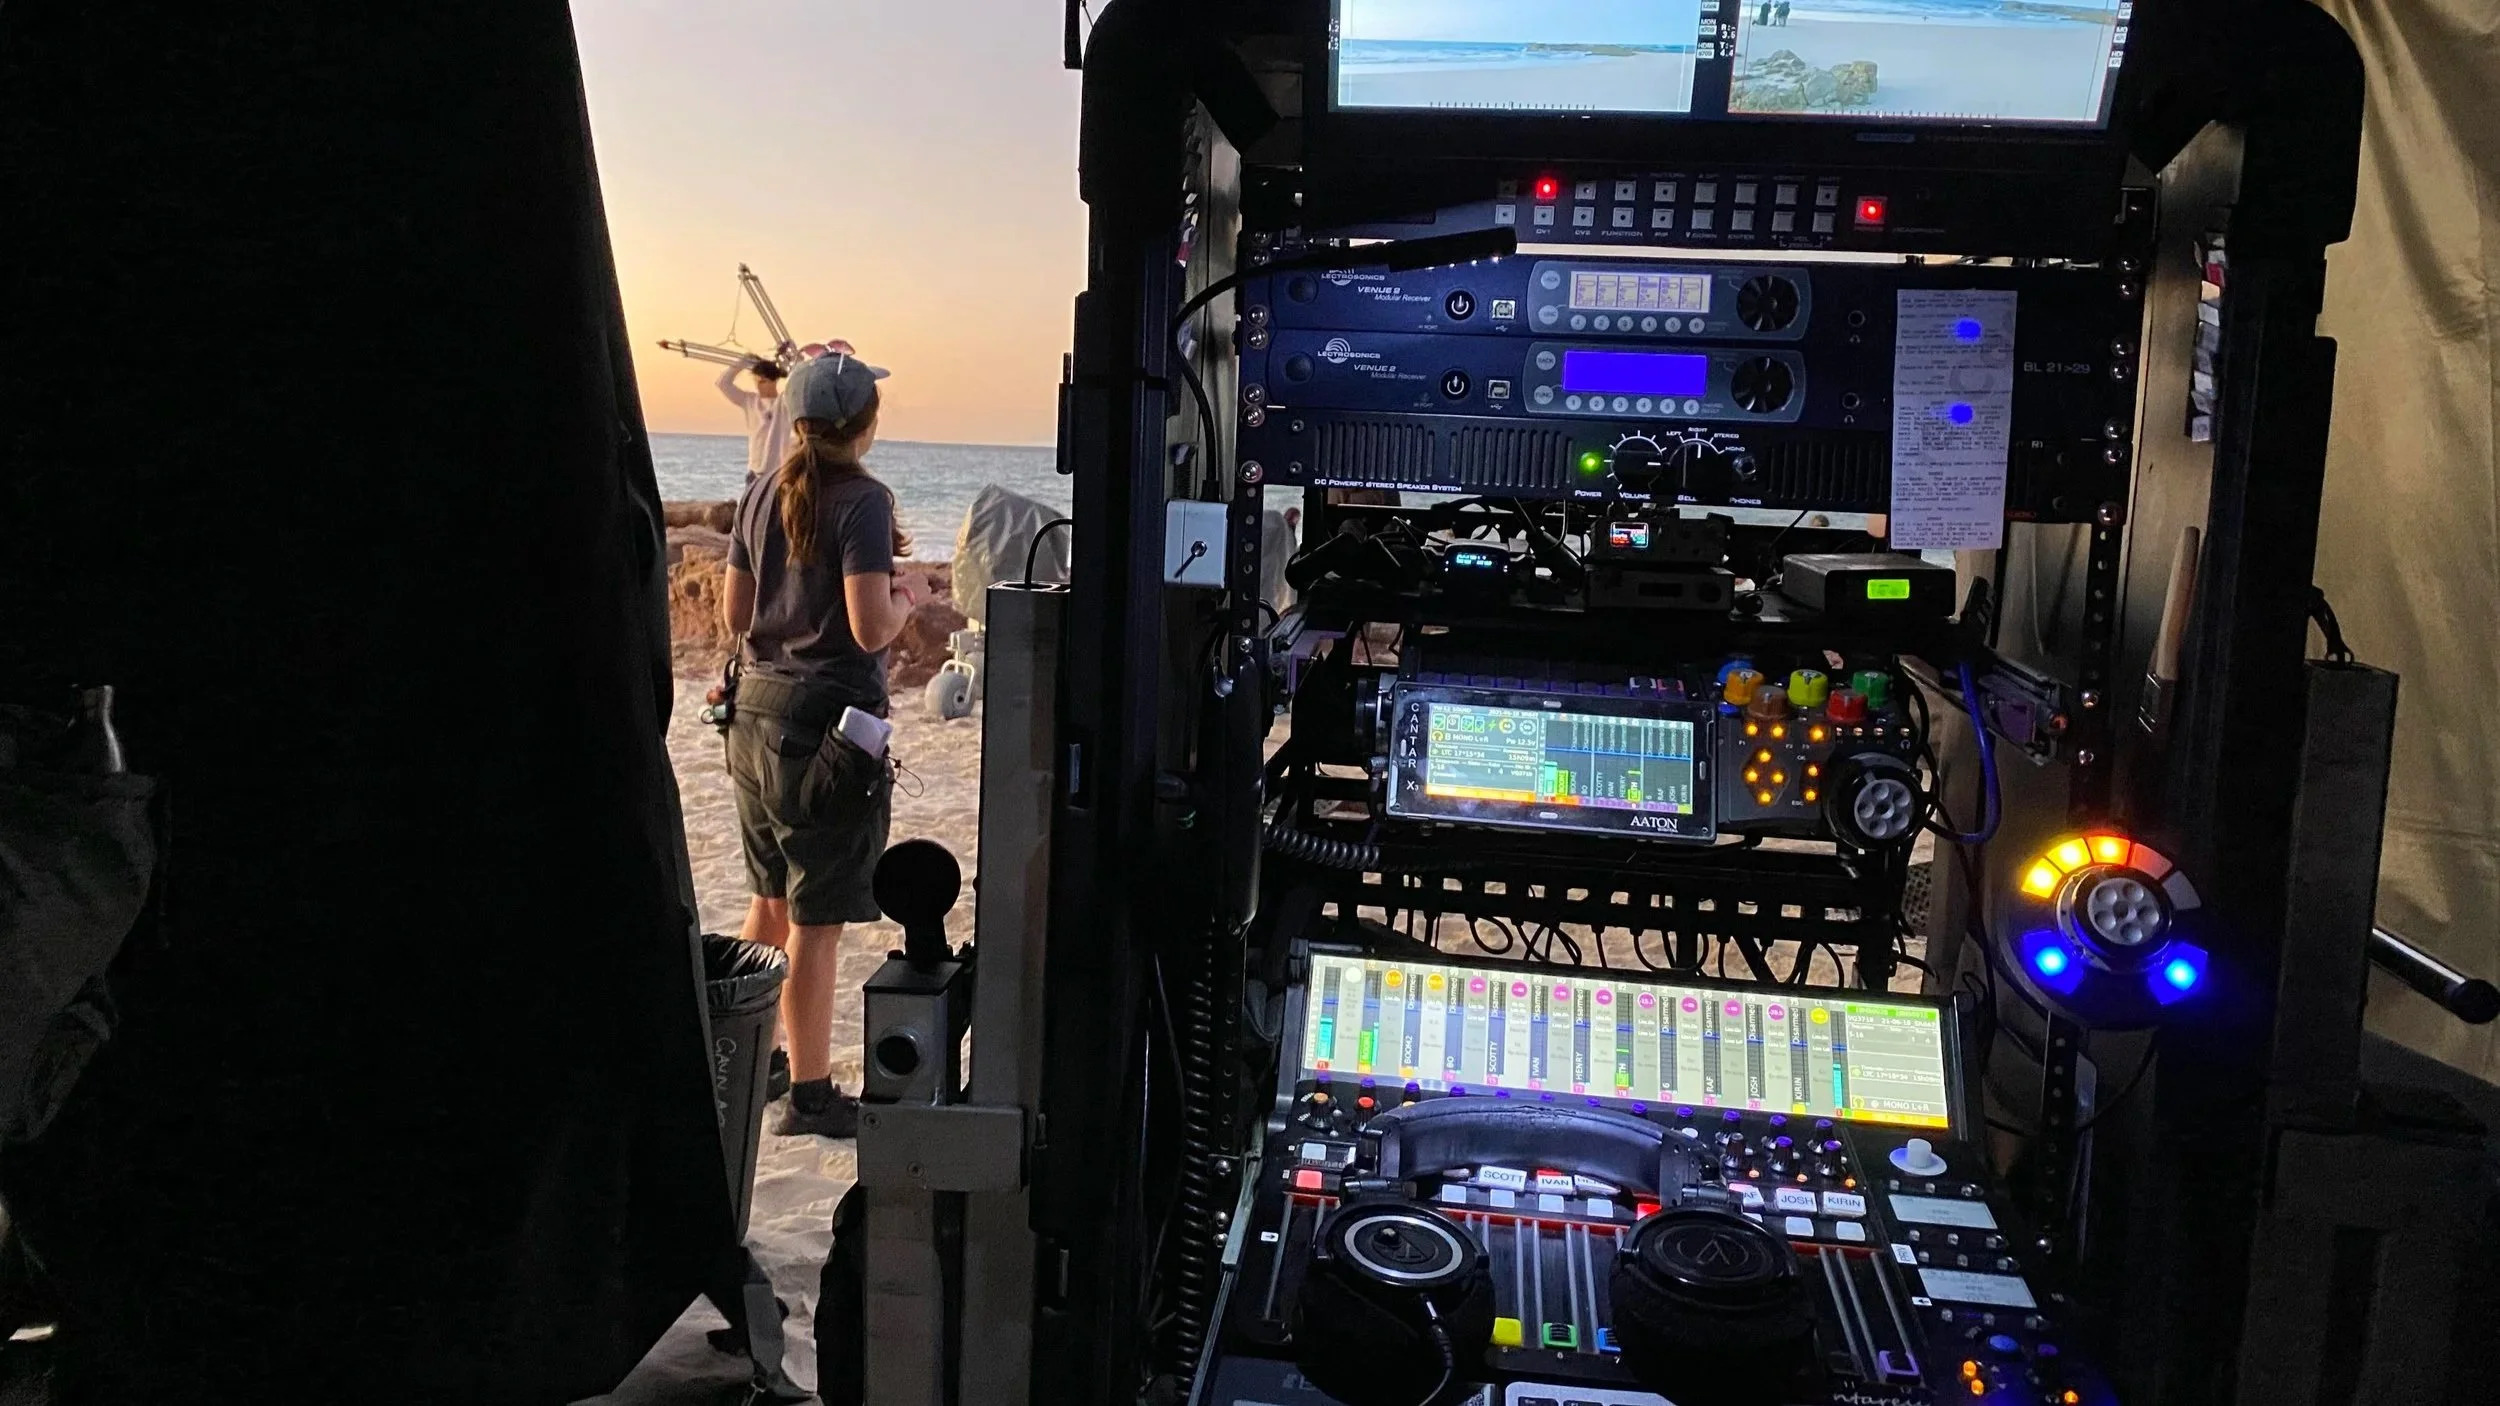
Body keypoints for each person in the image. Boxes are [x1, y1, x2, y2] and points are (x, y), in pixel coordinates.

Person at [720, 349, 916, 1138]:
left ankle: (749, 1055)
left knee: (769, 900)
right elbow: (870, 628)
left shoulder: (760, 489)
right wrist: (908, 599)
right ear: (867, 423)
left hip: (752, 719)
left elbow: (736, 616)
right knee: (816, 921)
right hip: (823, 731)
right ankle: (810, 1095)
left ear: (798, 421)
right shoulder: (863, 500)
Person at [715, 357, 790, 480]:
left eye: (763, 382)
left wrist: (791, 364)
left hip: (779, 473)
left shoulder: (785, 401)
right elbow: (722, 384)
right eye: (756, 382)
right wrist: (743, 362)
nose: (758, 386)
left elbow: (799, 385)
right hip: (754, 473)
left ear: (775, 381)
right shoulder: (749, 400)